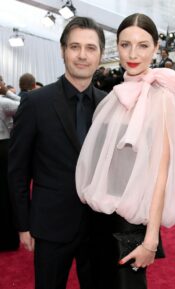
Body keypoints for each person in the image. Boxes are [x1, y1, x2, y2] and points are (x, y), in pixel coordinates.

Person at [75, 13, 175, 289]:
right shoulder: (114, 95)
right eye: (125, 45)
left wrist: (151, 240)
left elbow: (161, 174)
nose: (133, 53)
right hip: (97, 218)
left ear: (157, 48)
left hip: (129, 225)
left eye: (143, 45)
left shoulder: (161, 98)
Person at [8, 17, 106, 289]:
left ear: (100, 54)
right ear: (63, 51)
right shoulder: (35, 103)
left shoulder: (111, 105)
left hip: (100, 226)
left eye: (91, 47)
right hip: (50, 225)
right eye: (75, 47)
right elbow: (17, 169)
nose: (82, 55)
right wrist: (23, 224)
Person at [0, 77, 20, 251]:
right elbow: (25, 105)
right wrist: (6, 91)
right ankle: (7, 239)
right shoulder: (3, 102)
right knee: (6, 193)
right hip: (3, 148)